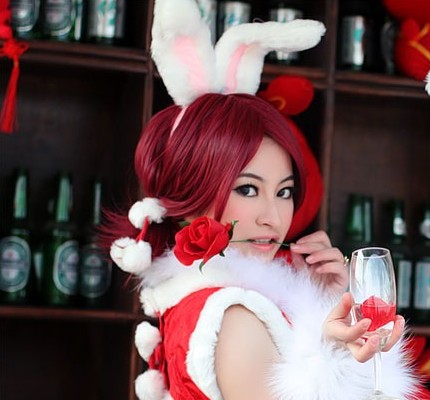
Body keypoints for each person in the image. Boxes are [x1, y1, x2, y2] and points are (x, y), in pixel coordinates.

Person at [107, 0, 426, 399]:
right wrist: (333, 352)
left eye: (284, 192)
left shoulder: (211, 301)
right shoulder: (234, 317)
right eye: (247, 189)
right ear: (192, 192)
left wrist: (323, 301)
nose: (273, 217)